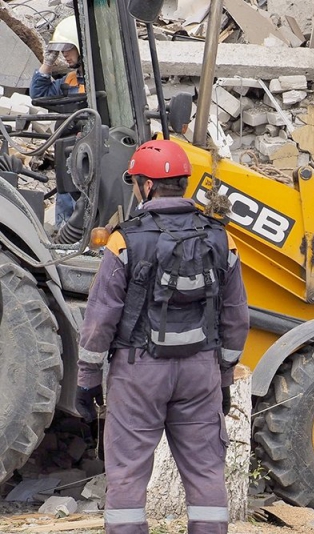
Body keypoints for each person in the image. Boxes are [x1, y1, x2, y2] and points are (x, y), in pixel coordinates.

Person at [75, 139, 250, 533]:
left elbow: (100, 319)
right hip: (200, 372)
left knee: (128, 475)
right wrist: (222, 378)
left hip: (139, 374)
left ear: (146, 186)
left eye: (137, 182)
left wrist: (86, 382)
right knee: (206, 474)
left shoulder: (124, 241)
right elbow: (236, 318)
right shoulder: (223, 239)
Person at [29, 15, 85, 229]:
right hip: (66, 151)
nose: (64, 54)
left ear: (80, 48)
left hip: (88, 150)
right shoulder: (70, 80)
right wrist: (47, 63)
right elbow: (39, 94)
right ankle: (65, 237)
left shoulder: (99, 80)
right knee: (66, 198)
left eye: (68, 49)